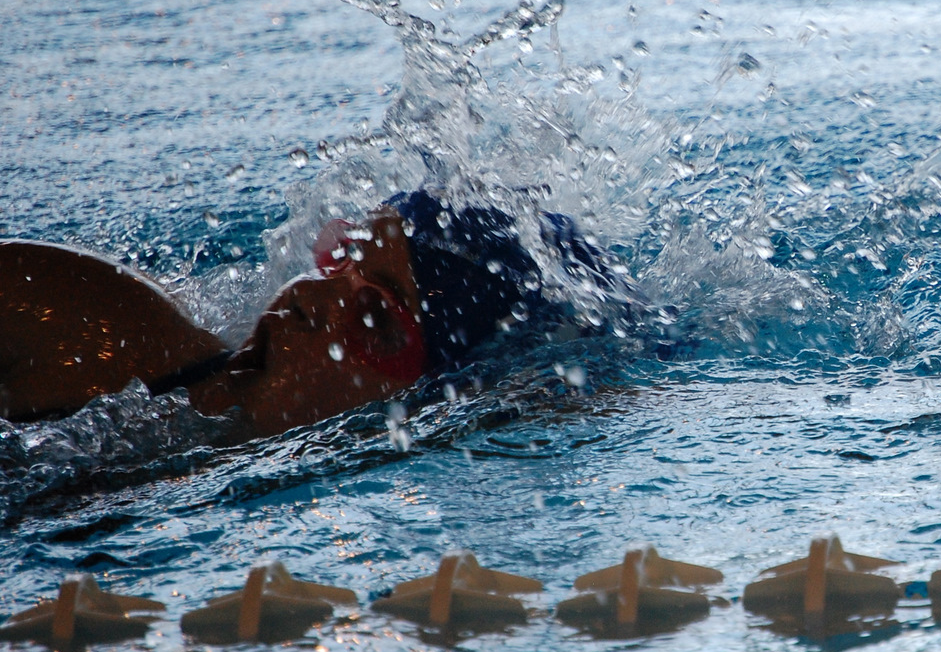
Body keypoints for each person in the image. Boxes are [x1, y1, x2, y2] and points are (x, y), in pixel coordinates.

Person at [0, 191, 621, 440]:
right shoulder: (96, 322)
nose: (308, 296)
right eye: (337, 260)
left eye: (374, 316)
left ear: (432, 401)